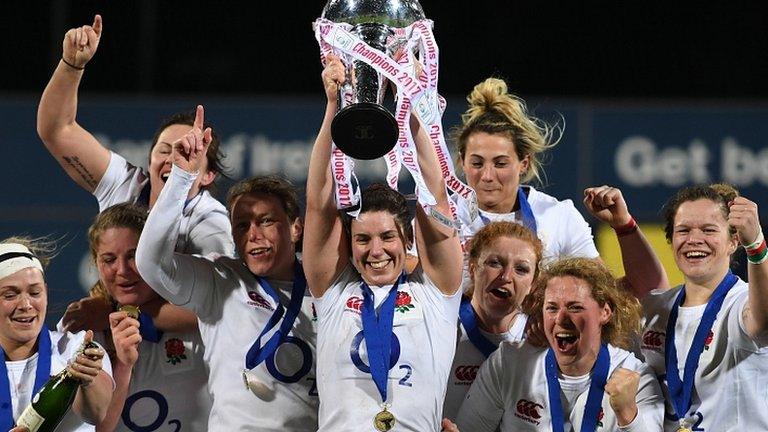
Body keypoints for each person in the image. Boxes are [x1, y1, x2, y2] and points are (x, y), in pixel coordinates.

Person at [303, 54, 463, 431]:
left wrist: (410, 109)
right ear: (350, 244)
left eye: (387, 236)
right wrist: (333, 108)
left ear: (408, 239)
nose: (375, 251)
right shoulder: (332, 292)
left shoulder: (436, 295)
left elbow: (434, 194)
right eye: (363, 239)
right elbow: (318, 202)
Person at [135, 113, 317, 430]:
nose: (253, 235)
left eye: (266, 221)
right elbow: (151, 263)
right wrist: (180, 179)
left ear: (295, 227)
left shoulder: (327, 288)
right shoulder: (220, 281)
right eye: (242, 226)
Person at [36, 15, 233, 257]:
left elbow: (216, 293)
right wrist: (71, 65)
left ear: (208, 175)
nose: (174, 159)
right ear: (149, 160)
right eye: (164, 150)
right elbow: (56, 130)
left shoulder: (212, 225)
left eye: (187, 152)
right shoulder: (126, 187)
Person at [452, 78, 667, 296]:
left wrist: (624, 225)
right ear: (462, 162)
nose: (487, 176)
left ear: (523, 164)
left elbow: (629, 294)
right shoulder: (439, 218)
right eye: (477, 163)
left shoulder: (557, 216)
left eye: (500, 163)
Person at [452, 258, 664, 431]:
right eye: (552, 308)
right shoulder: (510, 363)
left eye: (575, 307)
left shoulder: (635, 377)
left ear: (605, 312)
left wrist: (627, 413)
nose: (561, 319)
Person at [640, 184, 768, 431]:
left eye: (709, 230)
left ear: (733, 241)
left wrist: (757, 247)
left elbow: (762, 320)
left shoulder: (741, 303)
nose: (694, 240)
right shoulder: (656, 309)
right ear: (671, 239)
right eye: (683, 230)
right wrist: (624, 226)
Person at [74, 203, 210, 431]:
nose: (123, 271)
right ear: (95, 263)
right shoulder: (86, 330)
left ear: (155, 255)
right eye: (109, 260)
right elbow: (98, 426)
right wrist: (123, 364)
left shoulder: (204, 321)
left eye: (133, 256)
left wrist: (120, 312)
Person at [0, 238, 113, 432]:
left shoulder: (75, 349)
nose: (26, 305)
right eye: (10, 295)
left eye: (35, 293)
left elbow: (95, 413)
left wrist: (88, 379)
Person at [442, 221, 543, 421]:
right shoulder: (443, 326)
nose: (506, 276)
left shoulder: (540, 338)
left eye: (521, 269)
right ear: (472, 268)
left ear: (533, 284)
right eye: (495, 263)